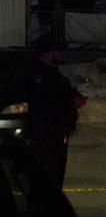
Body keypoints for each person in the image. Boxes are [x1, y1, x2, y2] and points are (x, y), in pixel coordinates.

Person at [24, 36, 83, 186]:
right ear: (49, 53)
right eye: (59, 51)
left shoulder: (54, 73)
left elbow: (67, 92)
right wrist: (70, 101)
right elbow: (46, 101)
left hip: (57, 130)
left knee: (55, 173)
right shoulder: (37, 74)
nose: (63, 54)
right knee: (46, 174)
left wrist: (75, 99)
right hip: (45, 132)